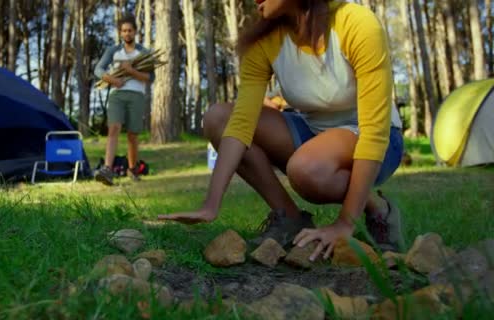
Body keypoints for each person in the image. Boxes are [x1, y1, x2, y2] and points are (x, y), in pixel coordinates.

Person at [158, 0, 404, 261]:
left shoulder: (357, 23)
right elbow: (241, 122)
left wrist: (345, 222)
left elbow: (374, 132)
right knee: (218, 118)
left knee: (306, 171)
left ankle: (377, 210)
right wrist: (211, 205)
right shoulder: (265, 39)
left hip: (377, 138)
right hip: (312, 131)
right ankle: (290, 218)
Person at [94, 14, 154, 186]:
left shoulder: (143, 52)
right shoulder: (113, 51)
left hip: (137, 95)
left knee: (132, 134)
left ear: (135, 32)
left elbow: (150, 77)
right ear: (120, 33)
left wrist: (131, 70)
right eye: (124, 31)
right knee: (114, 128)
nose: (127, 33)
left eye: (130, 30)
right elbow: (98, 70)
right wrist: (113, 80)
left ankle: (132, 168)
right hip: (117, 95)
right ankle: (107, 169)